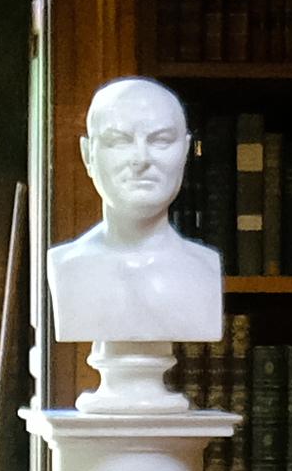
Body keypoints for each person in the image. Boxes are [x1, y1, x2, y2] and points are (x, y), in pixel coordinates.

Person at [44, 74, 222, 404]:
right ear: (88, 155)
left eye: (161, 141)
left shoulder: (204, 269)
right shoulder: (67, 266)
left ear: (185, 151)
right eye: (119, 141)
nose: (141, 159)